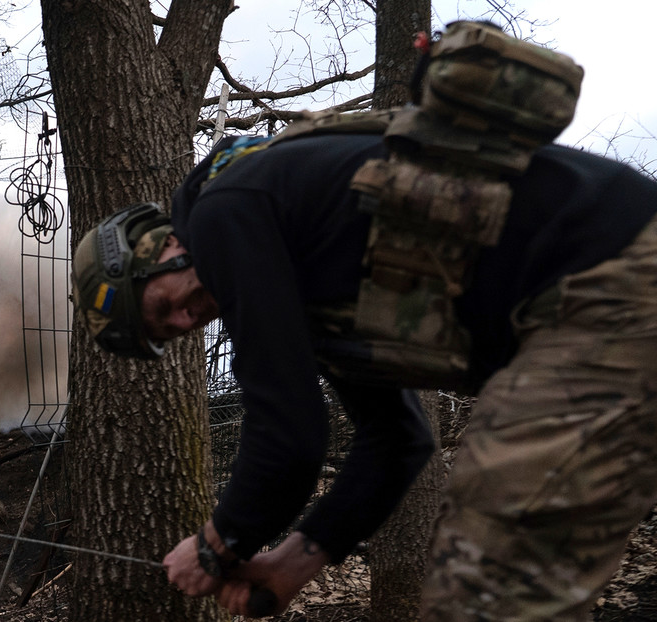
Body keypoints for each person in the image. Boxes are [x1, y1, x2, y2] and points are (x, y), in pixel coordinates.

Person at [70, 126, 657, 619]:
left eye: (161, 306)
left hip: (610, 280)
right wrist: (293, 563)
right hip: (607, 294)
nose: (186, 320)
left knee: (486, 575)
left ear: (159, 248)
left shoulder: (223, 213)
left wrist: (214, 544)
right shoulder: (305, 276)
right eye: (170, 332)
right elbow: (397, 440)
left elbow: (289, 439)